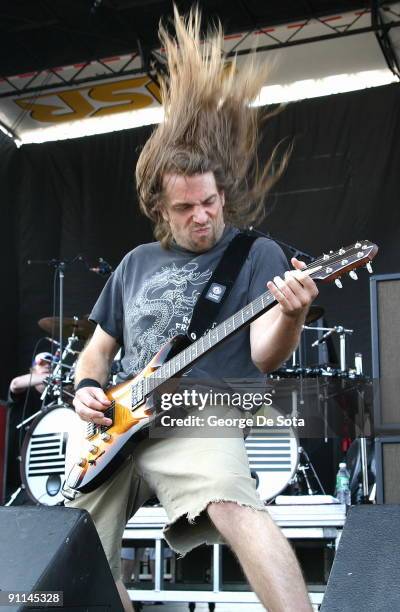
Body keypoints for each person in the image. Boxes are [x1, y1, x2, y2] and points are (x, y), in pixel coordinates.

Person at [68, 8, 318, 612]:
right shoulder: (134, 263)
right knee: (74, 553)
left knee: (234, 501)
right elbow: (97, 351)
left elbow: (264, 354)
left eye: (210, 200)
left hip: (194, 414)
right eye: (186, 208)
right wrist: (86, 390)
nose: (202, 215)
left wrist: (292, 314)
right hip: (117, 425)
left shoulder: (256, 254)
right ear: (161, 208)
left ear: (220, 192)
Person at [6, 352, 52, 499]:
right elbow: (15, 384)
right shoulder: (24, 390)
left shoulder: (57, 396)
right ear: (32, 370)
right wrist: (52, 377)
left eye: (50, 364)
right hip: (15, 467)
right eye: (41, 363)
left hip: (43, 464)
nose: (46, 366)